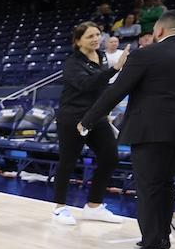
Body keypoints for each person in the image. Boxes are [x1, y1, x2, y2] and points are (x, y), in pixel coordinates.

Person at [79, 10, 175, 249]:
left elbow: (117, 90)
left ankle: (150, 247)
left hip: (152, 130)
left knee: (149, 186)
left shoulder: (146, 54)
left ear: (159, 30)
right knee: (165, 181)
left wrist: (87, 120)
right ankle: (161, 236)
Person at [49, 22, 127, 226]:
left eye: (97, 34)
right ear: (77, 41)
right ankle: (59, 208)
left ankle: (94, 206)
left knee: (110, 158)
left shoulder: (100, 56)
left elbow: (100, 86)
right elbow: (85, 85)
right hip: (72, 118)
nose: (95, 38)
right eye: (90, 36)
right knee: (68, 162)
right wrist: (114, 69)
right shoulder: (72, 63)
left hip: (96, 117)